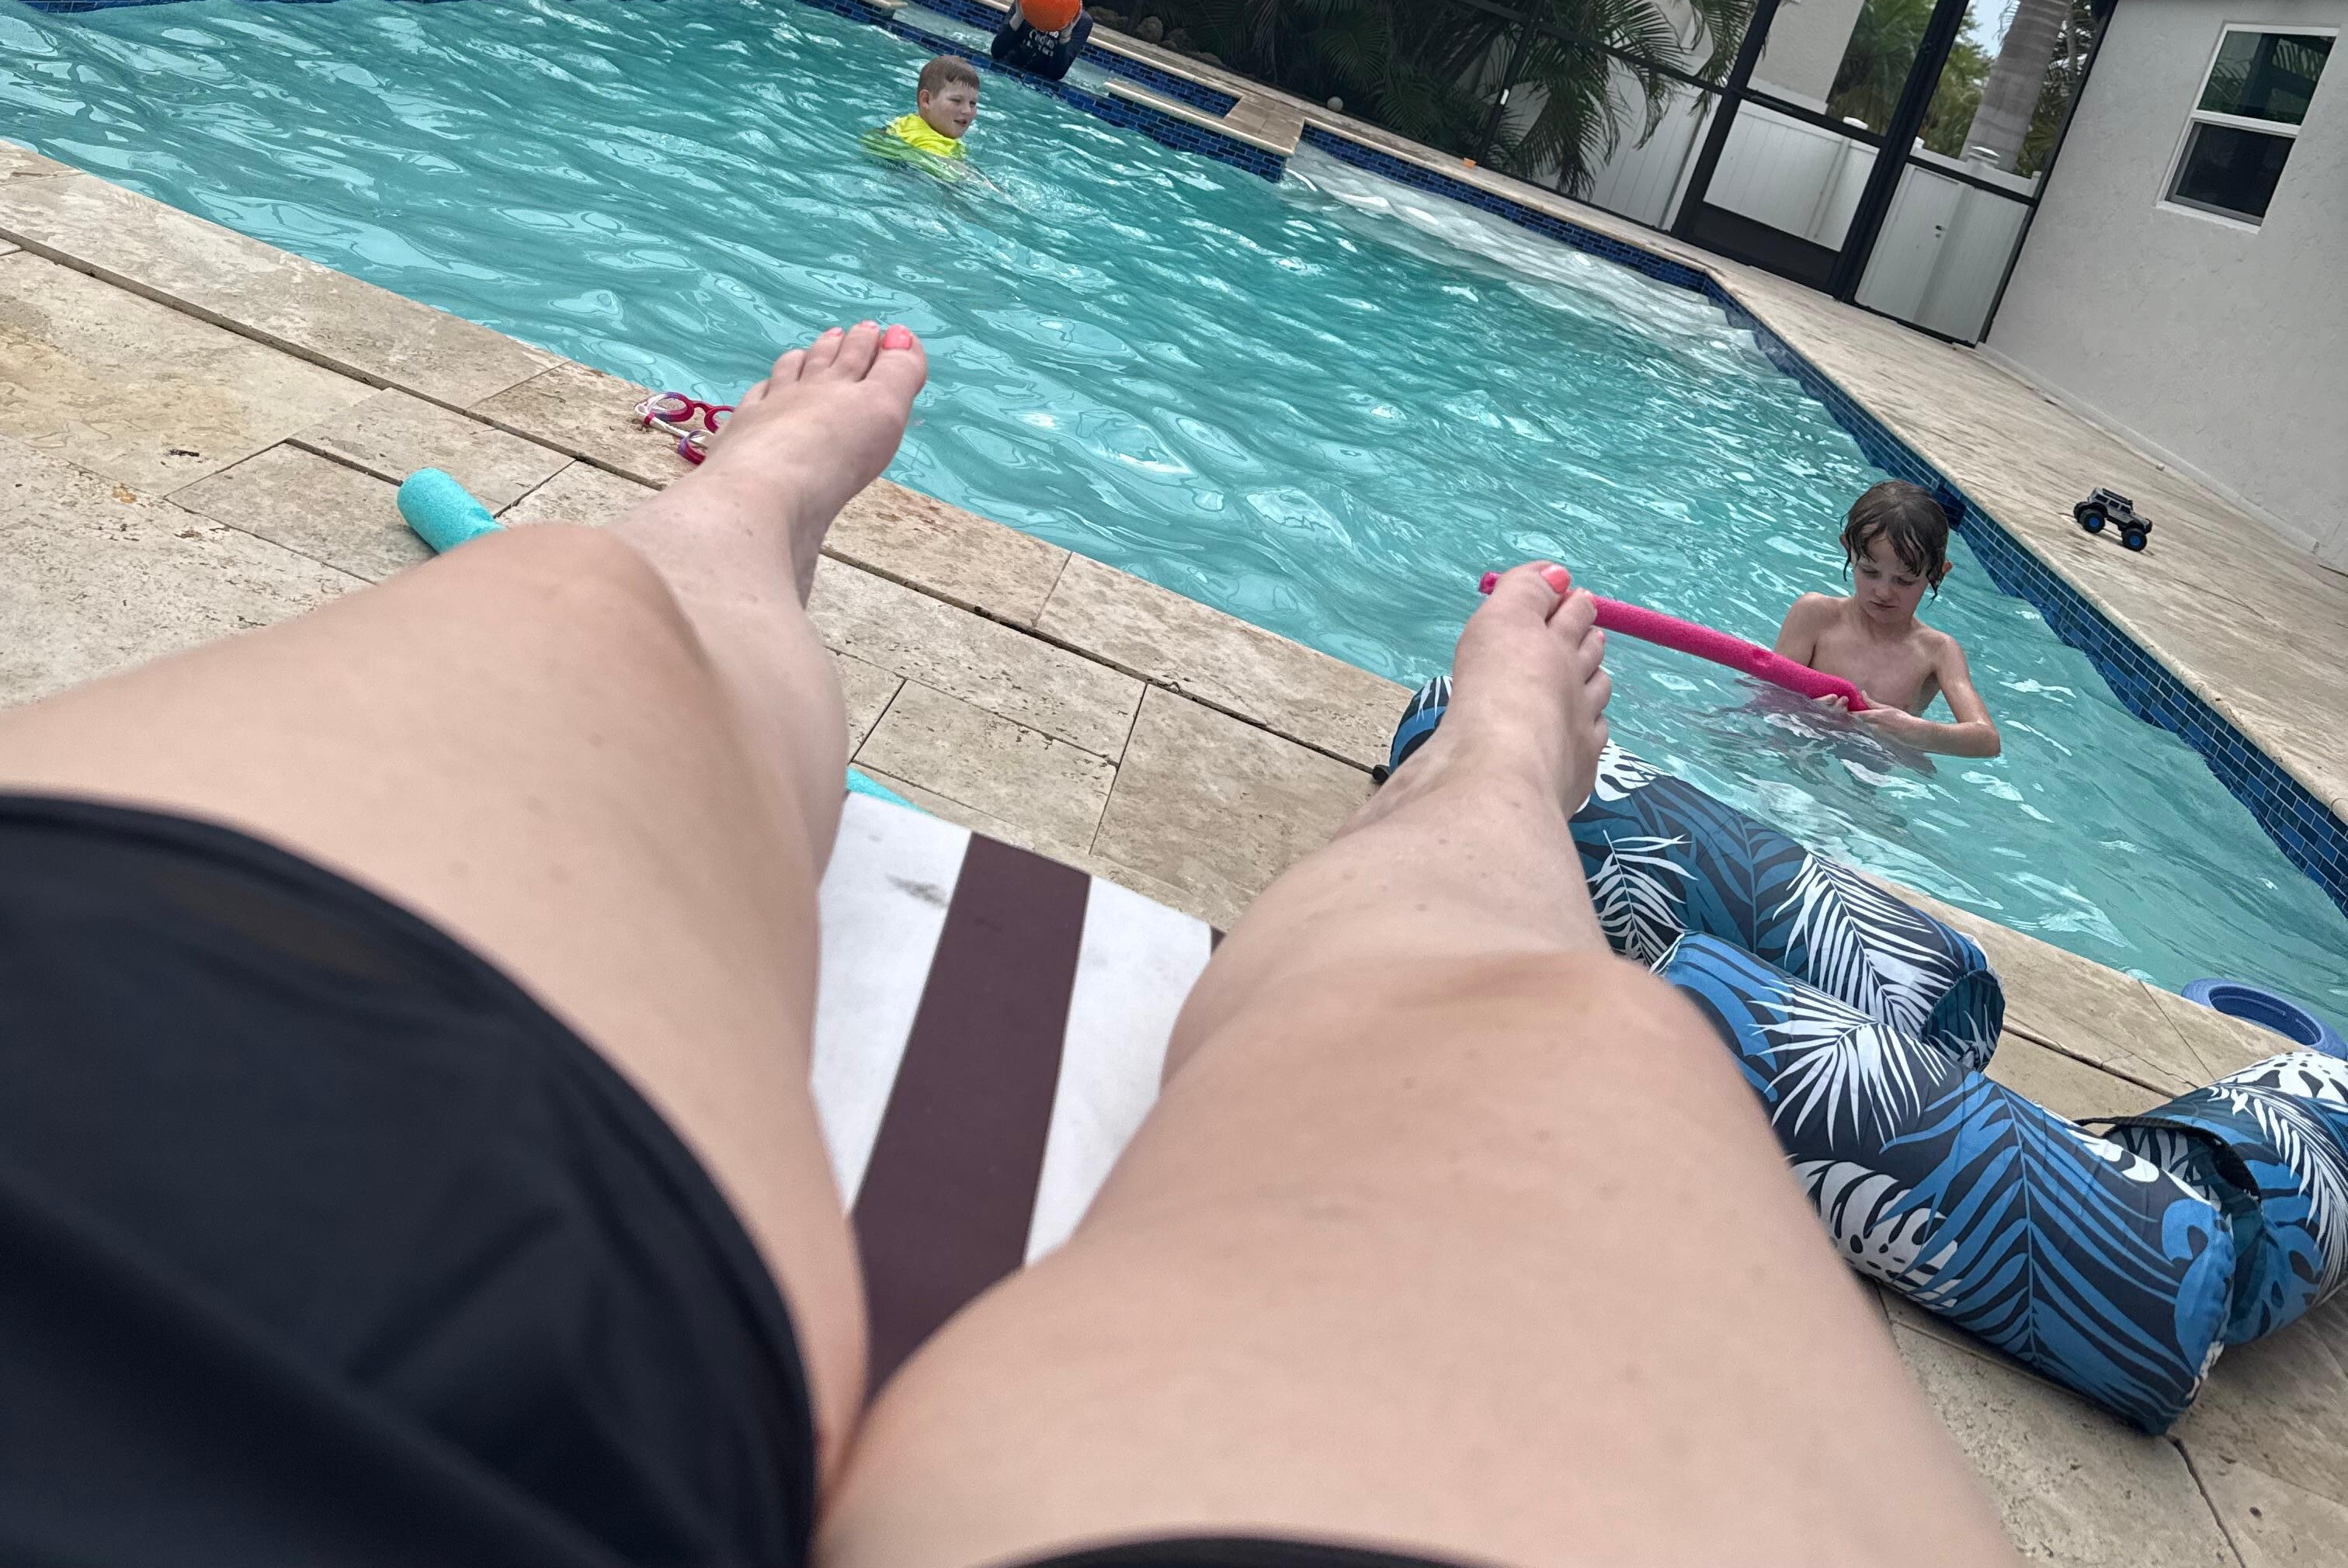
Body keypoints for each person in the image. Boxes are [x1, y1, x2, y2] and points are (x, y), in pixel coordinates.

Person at [0, 322, 2014, 1567]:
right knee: (1576, 1036)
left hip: (152, 1228)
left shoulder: (1912, 661)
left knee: (570, 618)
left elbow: (1974, 736)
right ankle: (1491, 790)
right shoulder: (1820, 630)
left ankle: (726, 539)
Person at [1777, 477, 2003, 758]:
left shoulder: (1937, 652)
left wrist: (1914, 730)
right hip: (1794, 748)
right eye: (1870, 572)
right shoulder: (1815, 616)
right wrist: (1806, 711)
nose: (1883, 592)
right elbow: (1767, 694)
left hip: (1872, 769)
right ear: (1849, 550)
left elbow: (1987, 741)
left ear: (1936, 575)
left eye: (1904, 581)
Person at [868, 51, 981, 164]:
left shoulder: (910, 124)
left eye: (973, 103)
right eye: (956, 100)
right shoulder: (928, 144)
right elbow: (946, 168)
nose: (967, 110)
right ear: (926, 100)